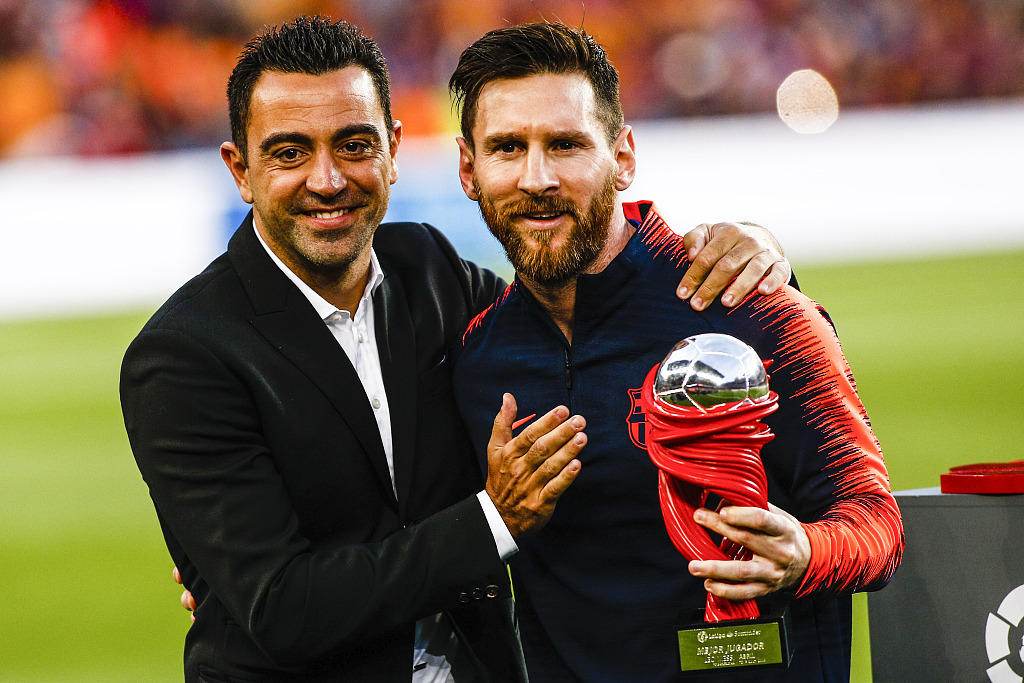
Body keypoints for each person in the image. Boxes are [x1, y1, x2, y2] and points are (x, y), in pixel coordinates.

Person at [123, 16, 792, 683]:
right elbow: (285, 611)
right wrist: (493, 519)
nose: (327, 180)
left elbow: (590, 326)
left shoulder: (431, 270)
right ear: (240, 169)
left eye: (353, 144)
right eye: (290, 152)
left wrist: (759, 252)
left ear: (393, 149)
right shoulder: (183, 357)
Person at [448, 22, 904, 683]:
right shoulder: (477, 355)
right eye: (507, 148)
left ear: (623, 156)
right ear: (469, 169)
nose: (536, 176)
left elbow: (877, 525)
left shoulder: (754, 305)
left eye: (566, 144)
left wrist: (807, 551)